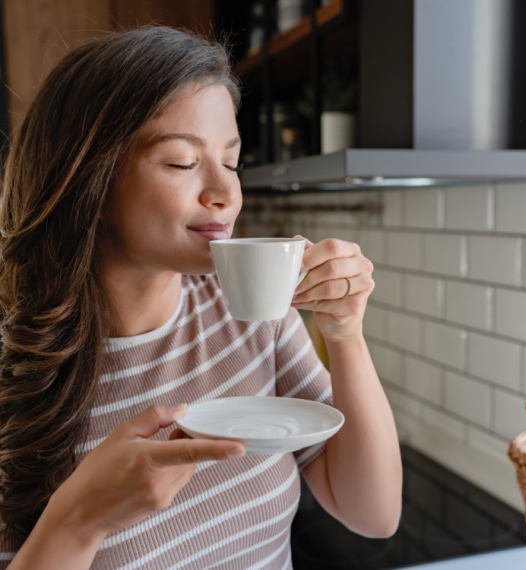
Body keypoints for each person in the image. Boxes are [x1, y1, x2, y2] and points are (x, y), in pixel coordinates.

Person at [0, 25, 402, 570]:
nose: (225, 192)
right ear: (88, 183)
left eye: (231, 161)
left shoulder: (249, 315)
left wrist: (345, 332)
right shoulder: (18, 376)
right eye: (182, 163)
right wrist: (79, 518)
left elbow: (372, 513)